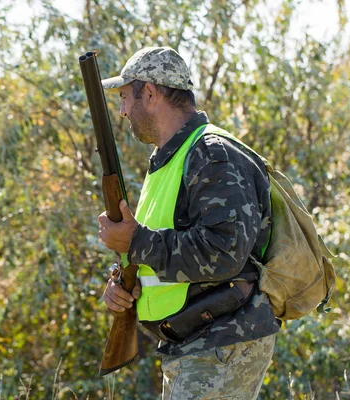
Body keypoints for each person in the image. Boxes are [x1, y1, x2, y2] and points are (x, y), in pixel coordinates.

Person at [97, 46, 280, 399]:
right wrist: (126, 283)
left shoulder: (211, 153)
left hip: (222, 343)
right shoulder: (168, 160)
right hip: (193, 345)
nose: (121, 112)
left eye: (124, 98)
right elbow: (162, 248)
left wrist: (135, 242)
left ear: (149, 93)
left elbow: (223, 253)